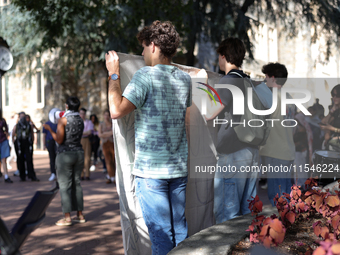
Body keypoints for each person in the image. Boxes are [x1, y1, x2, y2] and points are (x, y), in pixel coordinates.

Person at [105, 20, 191, 254]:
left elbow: (116, 110)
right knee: (181, 234)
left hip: (152, 173)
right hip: (179, 169)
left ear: (153, 46)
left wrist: (113, 74)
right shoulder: (185, 79)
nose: (142, 53)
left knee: (162, 238)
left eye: (143, 47)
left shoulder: (145, 76)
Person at [205, 38, 259, 222]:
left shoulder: (228, 81)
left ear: (223, 56)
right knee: (247, 214)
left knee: (227, 215)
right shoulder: (249, 81)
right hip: (252, 150)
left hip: (233, 153)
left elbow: (210, 113)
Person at [43, 96, 86, 226]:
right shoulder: (80, 119)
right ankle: (80, 215)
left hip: (65, 154)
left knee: (64, 185)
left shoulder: (63, 120)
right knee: (77, 183)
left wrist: (50, 129)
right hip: (79, 153)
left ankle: (67, 217)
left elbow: (59, 140)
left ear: (67, 106)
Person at [259, 63, 295, 206]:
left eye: (266, 77)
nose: (264, 80)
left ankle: (281, 228)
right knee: (286, 197)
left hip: (275, 152)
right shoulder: (289, 97)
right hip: (288, 150)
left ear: (272, 78)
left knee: (277, 199)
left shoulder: (269, 96)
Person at [12, 112, 39, 182]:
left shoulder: (28, 125)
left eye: (23, 117)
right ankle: (22, 175)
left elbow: (32, 133)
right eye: (21, 117)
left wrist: (32, 142)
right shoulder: (17, 126)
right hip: (20, 143)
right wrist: (15, 142)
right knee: (20, 159)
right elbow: (13, 134)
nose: (22, 118)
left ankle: (31, 175)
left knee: (29, 159)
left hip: (27, 142)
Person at [320, 85, 340, 152]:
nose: (334, 98)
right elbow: (323, 122)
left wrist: (332, 129)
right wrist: (332, 110)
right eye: (333, 95)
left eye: (337, 95)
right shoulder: (336, 111)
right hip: (333, 146)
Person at [98, 110, 115, 184]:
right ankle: (111, 176)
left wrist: (105, 133)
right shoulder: (101, 124)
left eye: (108, 115)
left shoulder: (112, 123)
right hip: (105, 144)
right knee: (107, 160)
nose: (106, 116)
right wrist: (109, 133)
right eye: (105, 115)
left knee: (114, 160)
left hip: (112, 143)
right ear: (103, 115)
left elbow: (114, 133)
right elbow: (100, 135)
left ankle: (114, 176)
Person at [79, 108, 94, 180]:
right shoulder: (78, 122)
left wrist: (81, 133)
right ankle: (81, 174)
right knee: (80, 157)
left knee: (87, 157)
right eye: (81, 113)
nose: (82, 115)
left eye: (83, 114)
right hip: (79, 140)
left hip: (87, 140)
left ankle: (87, 174)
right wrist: (85, 133)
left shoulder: (89, 122)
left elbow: (90, 132)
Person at [0, 109, 13, 183]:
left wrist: (8, 140)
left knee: (4, 159)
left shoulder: (2, 120)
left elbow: (6, 130)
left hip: (3, 140)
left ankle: (6, 176)